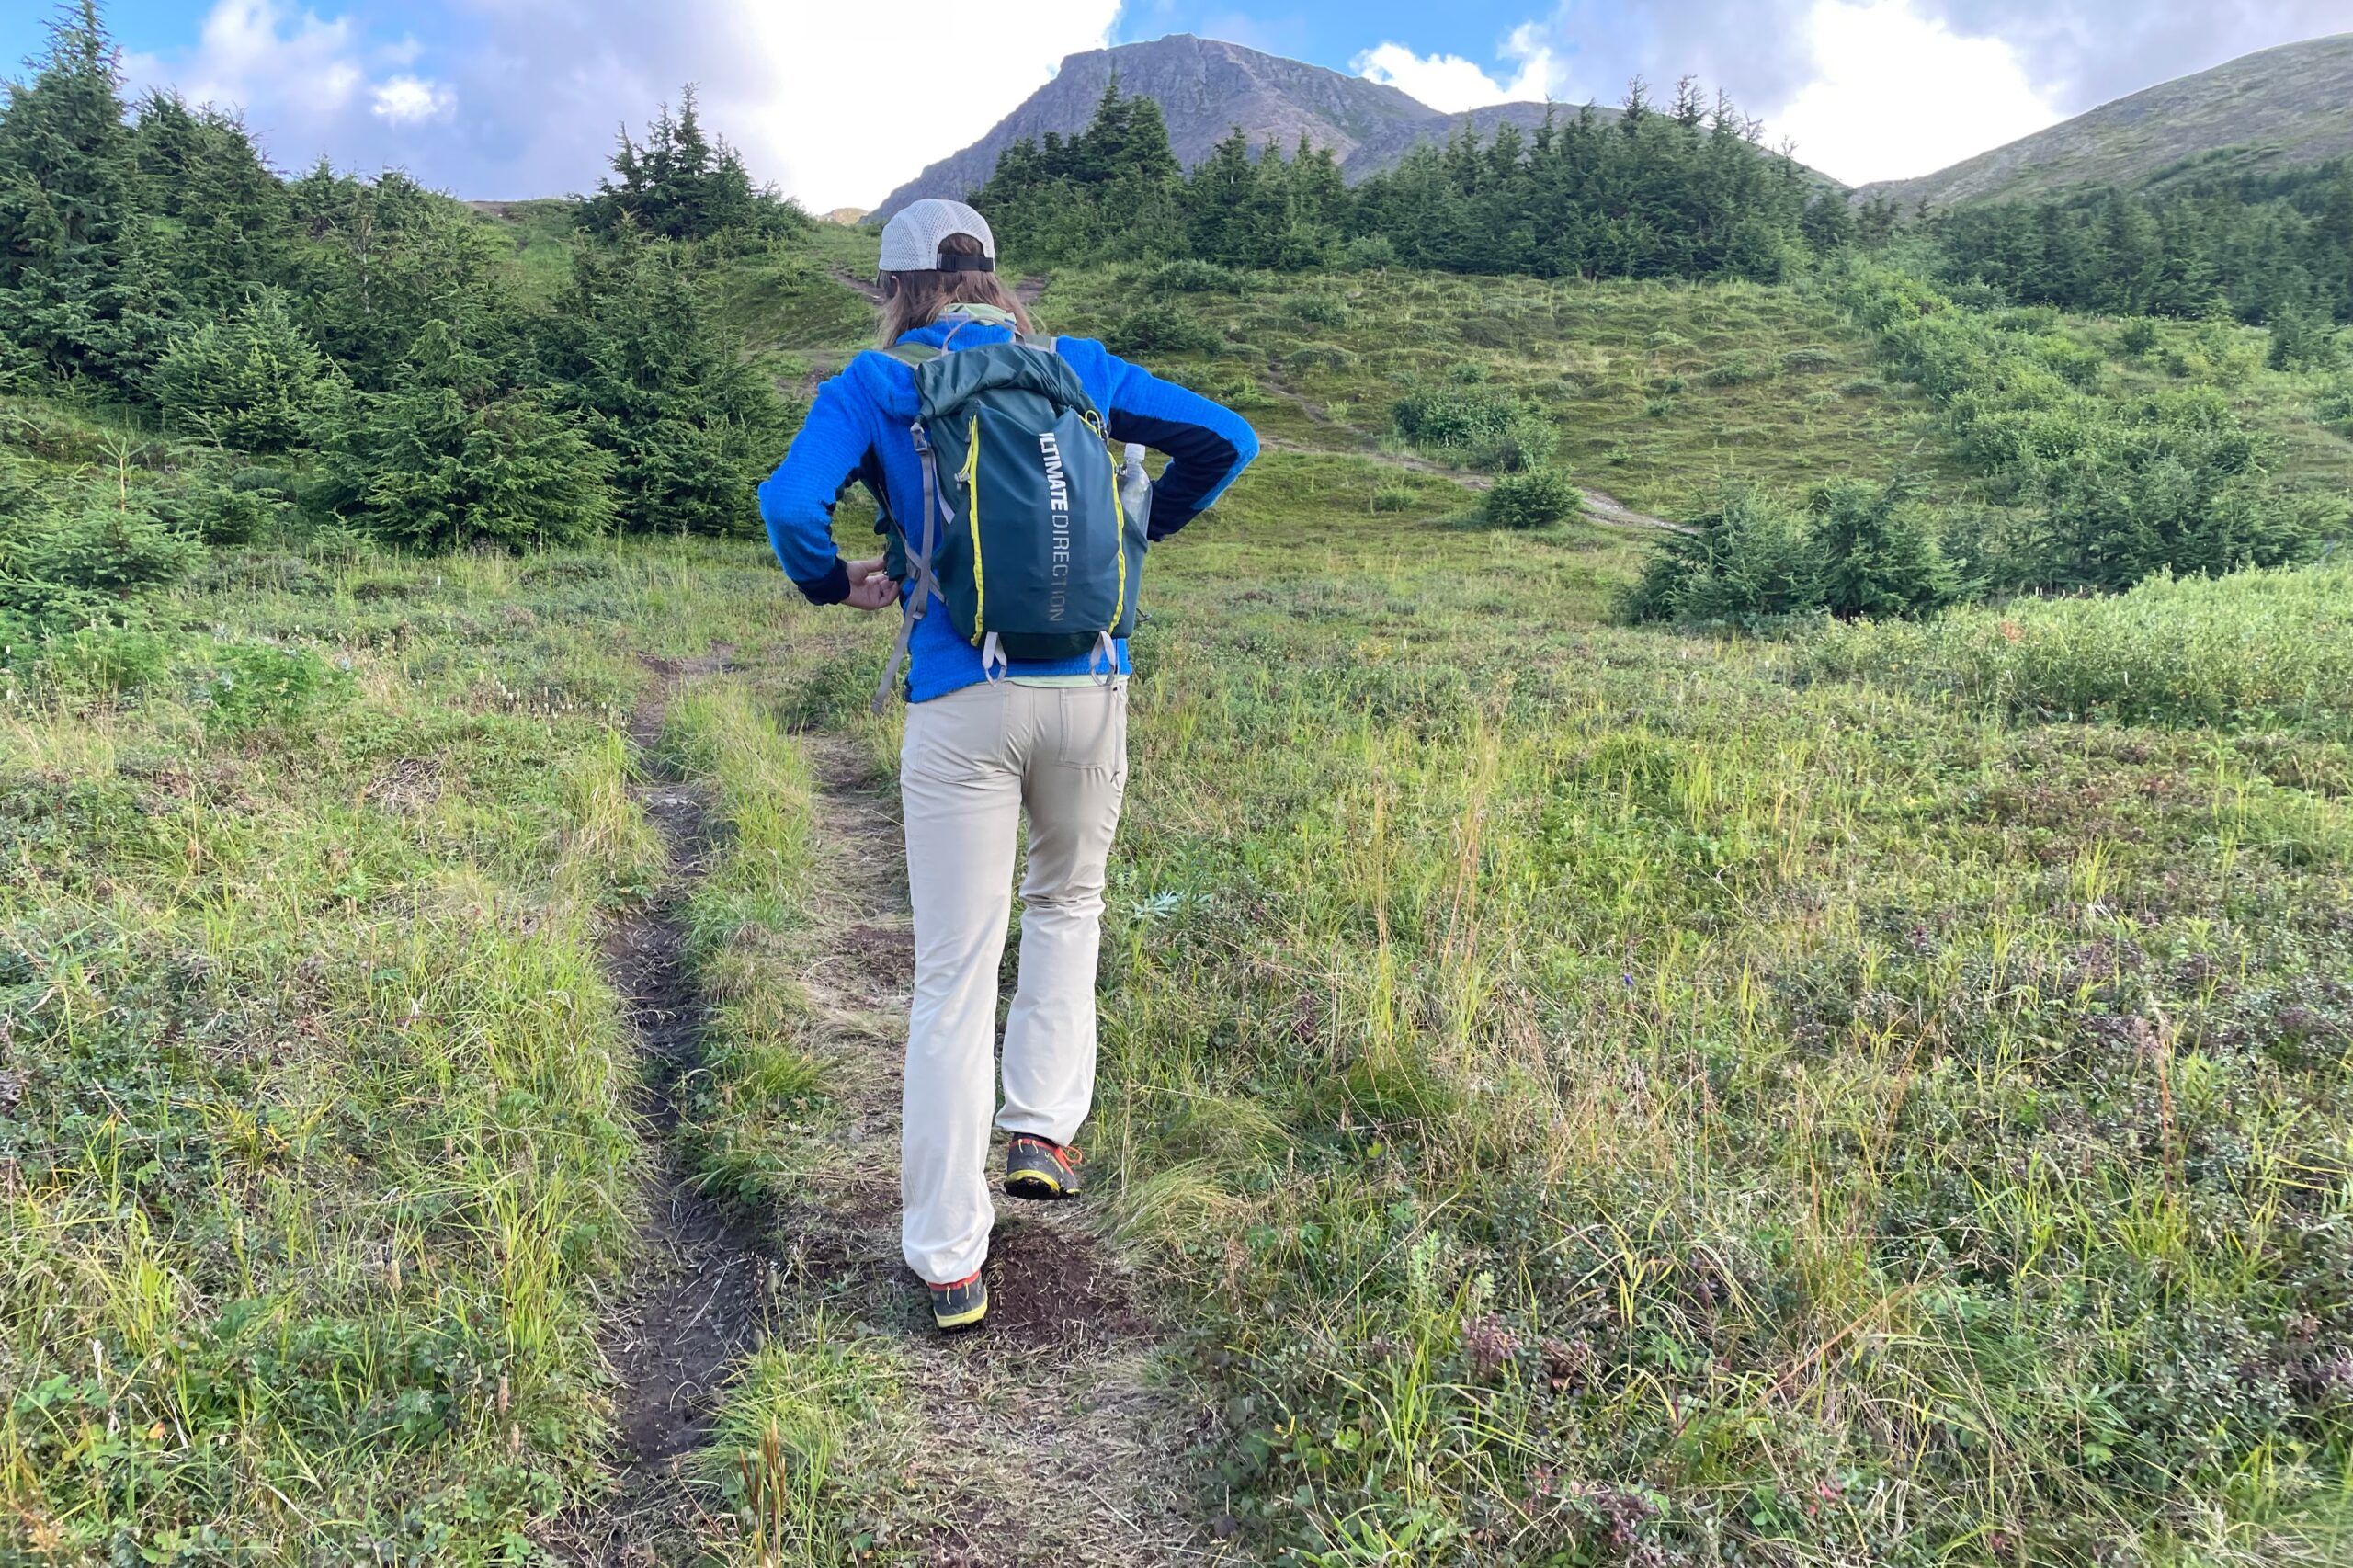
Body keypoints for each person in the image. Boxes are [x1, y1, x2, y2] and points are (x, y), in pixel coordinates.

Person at [756, 199, 1257, 1332]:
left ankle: (947, 1257)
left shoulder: (876, 384)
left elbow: (789, 503)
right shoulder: (1073, 364)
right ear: (991, 278)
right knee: (1068, 903)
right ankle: (1040, 1127)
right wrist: (1136, 537)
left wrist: (837, 583)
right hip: (1092, 684)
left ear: (896, 290)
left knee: (954, 971)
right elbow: (1229, 437)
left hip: (959, 696)